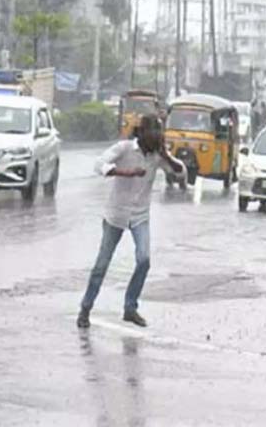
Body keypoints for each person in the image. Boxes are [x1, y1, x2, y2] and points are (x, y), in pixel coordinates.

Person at [77, 114, 186, 329]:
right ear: (142, 133)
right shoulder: (125, 148)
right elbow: (99, 165)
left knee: (144, 259)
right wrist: (126, 172)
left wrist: (167, 156)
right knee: (101, 265)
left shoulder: (157, 156)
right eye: (152, 134)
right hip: (115, 215)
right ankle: (85, 308)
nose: (155, 139)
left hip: (140, 216)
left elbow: (181, 173)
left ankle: (130, 307)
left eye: (159, 135)